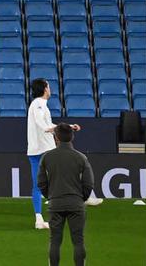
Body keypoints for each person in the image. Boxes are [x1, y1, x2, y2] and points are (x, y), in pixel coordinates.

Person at [27, 78, 96, 229]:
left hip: (35, 150)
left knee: (39, 184)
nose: (50, 89)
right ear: (45, 89)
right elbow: (43, 125)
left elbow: (49, 125)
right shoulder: (39, 104)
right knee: (66, 172)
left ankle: (39, 219)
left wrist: (68, 126)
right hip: (45, 149)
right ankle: (83, 196)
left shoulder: (39, 104)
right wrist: (50, 129)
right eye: (48, 86)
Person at [37, 124, 94, 266]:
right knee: (78, 241)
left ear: (56, 138)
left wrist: (51, 196)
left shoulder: (47, 157)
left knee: (55, 241)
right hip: (76, 203)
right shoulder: (81, 157)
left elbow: (41, 182)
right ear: (72, 137)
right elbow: (89, 183)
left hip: (55, 203)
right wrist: (81, 198)